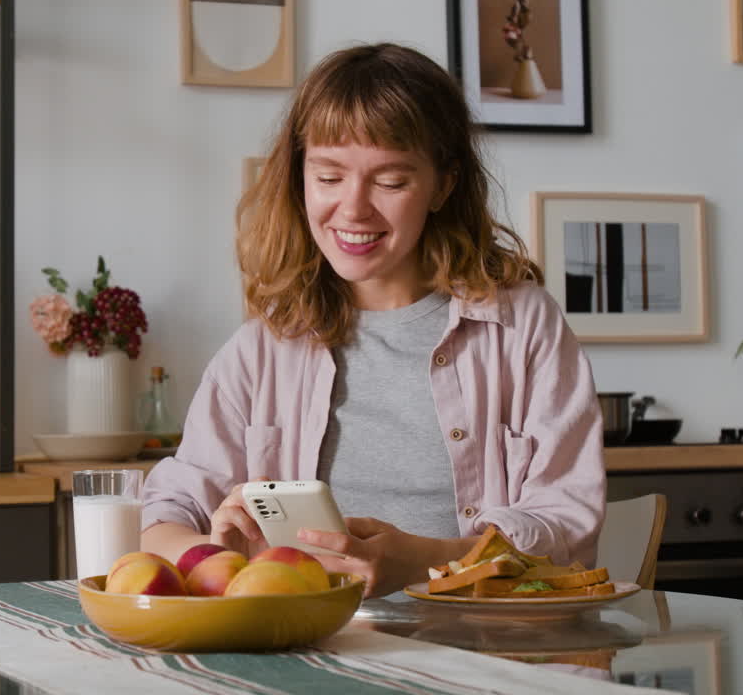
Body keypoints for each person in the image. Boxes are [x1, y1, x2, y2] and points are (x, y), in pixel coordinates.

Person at [140, 42, 605, 598]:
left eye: (390, 182)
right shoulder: (261, 349)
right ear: (299, 178)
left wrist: (429, 564)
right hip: (313, 652)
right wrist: (217, 557)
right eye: (329, 177)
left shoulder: (524, 327)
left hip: (489, 657)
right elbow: (166, 511)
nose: (354, 209)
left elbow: (567, 522)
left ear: (443, 185)